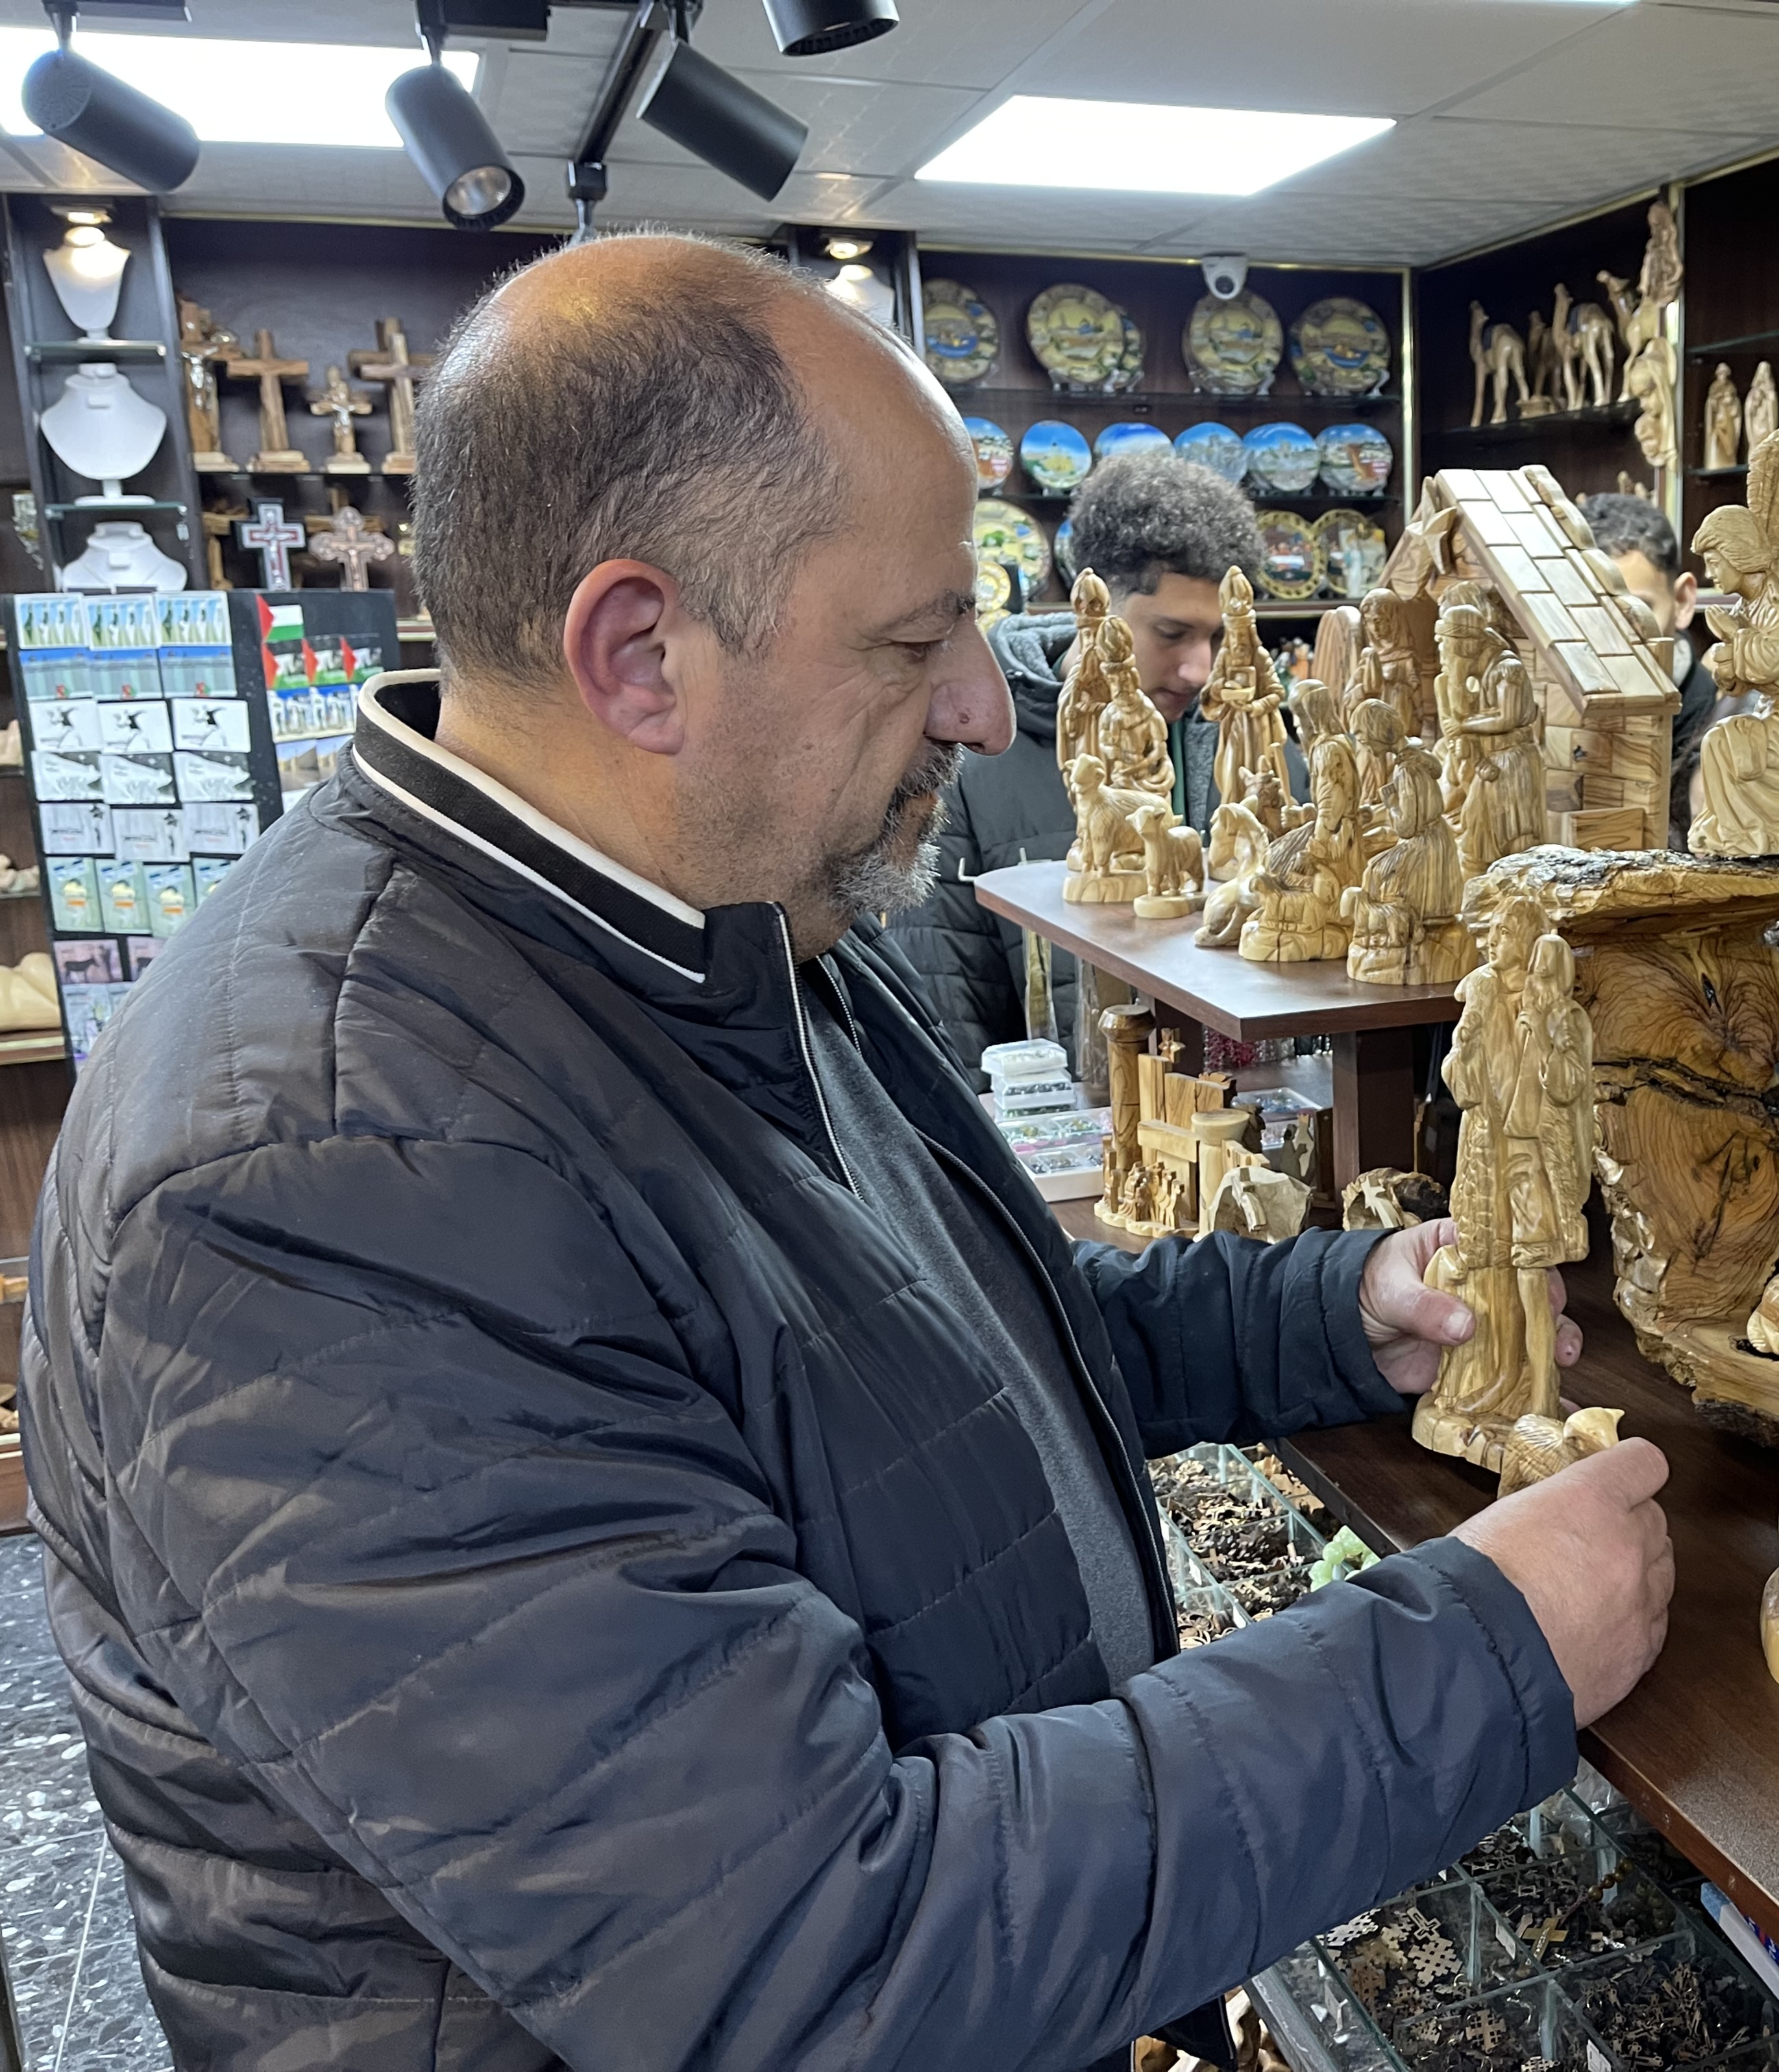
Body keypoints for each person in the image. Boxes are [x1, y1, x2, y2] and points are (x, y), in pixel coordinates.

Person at [19, 233, 1676, 2072]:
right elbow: (820, 1949)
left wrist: (1324, 1311)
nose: (984, 700)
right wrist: (1479, 1651)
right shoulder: (315, 1183)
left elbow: (951, 1354)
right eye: (911, 640)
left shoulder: (717, 919)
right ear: (640, 654)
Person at [892, 455, 1288, 1074]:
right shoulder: (969, 760)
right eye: (1171, 633)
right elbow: (946, 1000)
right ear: (1097, 609)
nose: (1200, 670)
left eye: (1215, 638)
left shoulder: (1257, 746)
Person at [1578, 493, 1714, 846]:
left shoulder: (1730, 724)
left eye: (1637, 613)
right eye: (1589, 616)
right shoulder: (1552, 719)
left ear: (1682, 601)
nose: (1614, 642)